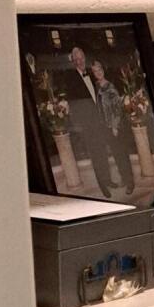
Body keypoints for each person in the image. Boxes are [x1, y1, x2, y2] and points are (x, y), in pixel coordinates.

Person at [55, 43, 121, 197]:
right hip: (88, 124)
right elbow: (73, 103)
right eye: (76, 59)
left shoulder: (92, 74)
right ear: (72, 60)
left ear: (84, 58)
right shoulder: (69, 78)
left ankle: (108, 179)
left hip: (102, 121)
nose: (79, 61)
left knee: (104, 152)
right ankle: (103, 185)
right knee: (96, 154)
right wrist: (80, 123)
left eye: (81, 58)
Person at [90, 59, 133, 197]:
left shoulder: (110, 87)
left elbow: (117, 108)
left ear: (103, 69)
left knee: (122, 155)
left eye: (100, 69)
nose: (99, 72)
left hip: (115, 127)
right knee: (115, 155)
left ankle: (130, 182)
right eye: (95, 71)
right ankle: (123, 179)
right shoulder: (96, 87)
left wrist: (115, 126)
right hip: (103, 127)